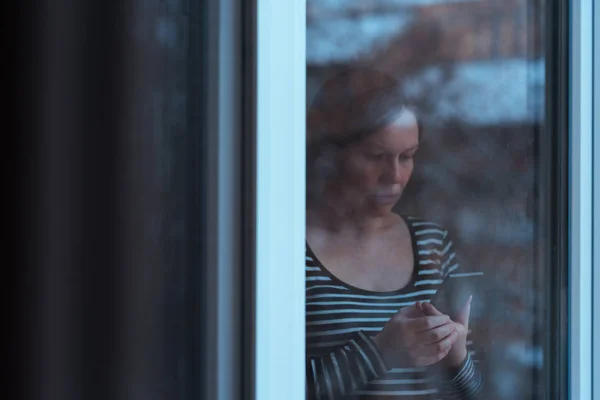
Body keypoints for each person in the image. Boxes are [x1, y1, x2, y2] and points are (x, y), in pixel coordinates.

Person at [305, 68, 483, 399]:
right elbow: (266, 383)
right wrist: (378, 352)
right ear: (330, 155)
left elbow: (471, 392)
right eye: (375, 156)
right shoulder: (287, 250)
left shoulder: (432, 244)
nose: (395, 176)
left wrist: (456, 356)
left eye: (408, 157)